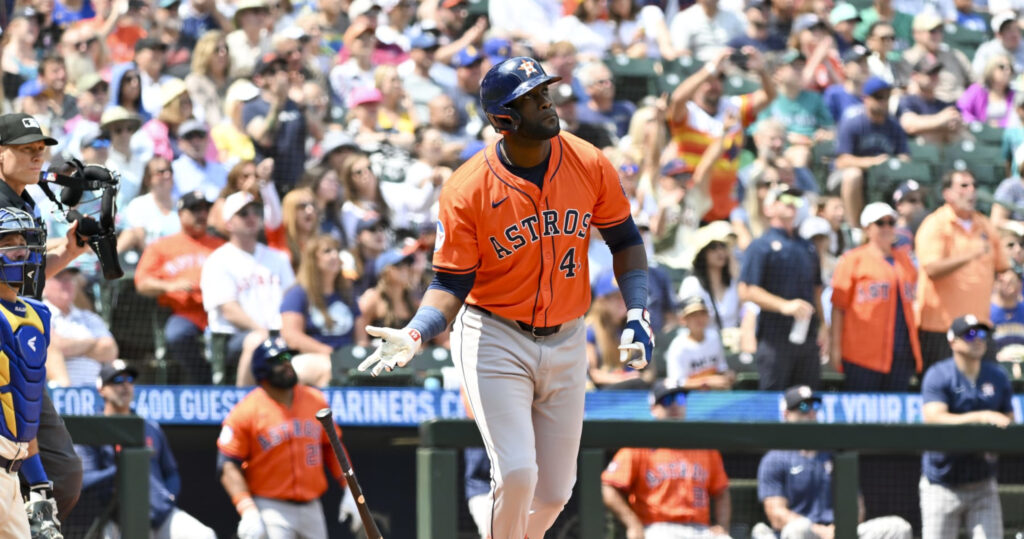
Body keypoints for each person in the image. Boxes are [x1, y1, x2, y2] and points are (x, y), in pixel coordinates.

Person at [356, 57, 653, 539]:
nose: (546, 103)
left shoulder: (588, 160)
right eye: (532, 98)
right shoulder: (466, 188)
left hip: (568, 336)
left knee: (556, 491)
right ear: (504, 119)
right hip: (494, 336)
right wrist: (417, 331)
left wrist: (638, 310)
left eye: (545, 92)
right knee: (517, 474)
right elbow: (451, 283)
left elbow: (624, 239)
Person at [0, 113, 93, 519]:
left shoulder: (24, 200)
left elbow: (24, 275)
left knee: (62, 474)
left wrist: (70, 249)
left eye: (40, 149)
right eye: (25, 149)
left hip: (21, 345)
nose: (38, 156)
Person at [217, 337, 361, 539]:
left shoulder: (315, 399)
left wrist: (350, 489)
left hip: (312, 506)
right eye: (277, 360)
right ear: (262, 370)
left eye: (287, 357)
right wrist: (247, 508)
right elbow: (227, 465)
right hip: (271, 507)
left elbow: (332, 447)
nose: (286, 363)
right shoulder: (245, 411)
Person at [75, 361, 217, 539]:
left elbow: (171, 472)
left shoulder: (149, 427)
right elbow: (84, 480)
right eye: (117, 380)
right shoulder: (92, 430)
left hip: (163, 515)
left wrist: (169, 496)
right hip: (118, 519)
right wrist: (120, 470)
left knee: (205, 535)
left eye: (130, 380)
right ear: (101, 389)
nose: (125, 386)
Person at [753, 385, 913, 539]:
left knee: (898, 528)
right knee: (798, 529)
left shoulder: (834, 454)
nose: (810, 412)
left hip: (839, 531)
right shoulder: (774, 458)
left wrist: (838, 529)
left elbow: (856, 506)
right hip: (805, 533)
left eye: (814, 406)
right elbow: (776, 514)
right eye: (803, 407)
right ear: (787, 414)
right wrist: (819, 531)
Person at [920, 315, 1013, 539]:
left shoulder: (997, 376)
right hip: (942, 483)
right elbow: (933, 417)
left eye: (981, 333)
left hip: (982, 483)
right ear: (953, 340)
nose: (977, 339)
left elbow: (1009, 418)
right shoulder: (938, 374)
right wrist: (981, 416)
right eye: (970, 334)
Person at [602, 380, 732, 538]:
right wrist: (633, 524)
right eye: (667, 401)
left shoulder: (703, 444)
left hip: (700, 529)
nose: (675, 406)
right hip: (658, 528)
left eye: (680, 399)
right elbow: (608, 487)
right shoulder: (639, 445)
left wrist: (722, 526)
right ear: (653, 408)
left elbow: (721, 491)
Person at [0, 206, 61, 538]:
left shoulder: (38, 315)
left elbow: (25, 408)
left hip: (14, 471)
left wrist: (39, 484)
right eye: (9, 244)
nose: (21, 252)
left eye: (24, 243)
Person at [915, 171, 1010, 370]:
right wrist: (969, 255)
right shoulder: (935, 224)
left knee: (987, 390)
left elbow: (1003, 268)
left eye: (973, 185)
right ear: (947, 193)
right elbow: (931, 268)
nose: (971, 190)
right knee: (944, 390)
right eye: (964, 186)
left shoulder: (985, 225)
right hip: (941, 328)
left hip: (979, 325)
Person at [667, 47, 775, 222]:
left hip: (725, 205)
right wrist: (710, 68)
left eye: (719, 80)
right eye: (709, 81)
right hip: (692, 204)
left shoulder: (734, 107)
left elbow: (769, 96)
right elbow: (677, 99)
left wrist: (761, 70)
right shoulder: (688, 113)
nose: (714, 85)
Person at [200, 191, 295, 386]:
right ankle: (244, 401)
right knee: (257, 341)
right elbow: (230, 311)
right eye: (243, 214)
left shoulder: (278, 258)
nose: (252, 217)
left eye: (256, 212)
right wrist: (265, 333)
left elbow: (292, 299)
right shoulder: (218, 260)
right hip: (232, 339)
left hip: (279, 334)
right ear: (229, 223)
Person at [739, 186, 826, 390]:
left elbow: (816, 290)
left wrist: (823, 326)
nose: (792, 204)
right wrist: (784, 305)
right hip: (774, 338)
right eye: (784, 198)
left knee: (808, 399)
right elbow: (746, 290)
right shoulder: (760, 246)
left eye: (796, 200)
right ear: (769, 208)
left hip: (807, 337)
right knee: (773, 403)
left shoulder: (808, 247)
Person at [134, 191, 225, 384]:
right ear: (181, 213)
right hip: (185, 312)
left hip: (222, 311)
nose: (201, 214)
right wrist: (169, 285)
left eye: (204, 209)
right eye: (195, 210)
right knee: (176, 335)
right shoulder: (161, 246)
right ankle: (203, 383)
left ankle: (230, 383)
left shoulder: (220, 246)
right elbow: (142, 283)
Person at [830, 202, 922, 392]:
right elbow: (838, 307)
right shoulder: (852, 260)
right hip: (862, 353)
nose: (887, 227)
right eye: (880, 223)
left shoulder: (905, 260)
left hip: (901, 351)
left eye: (891, 222)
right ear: (867, 228)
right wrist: (835, 348)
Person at [281, 235, 368, 387]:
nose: (335, 255)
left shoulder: (347, 294)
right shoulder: (298, 294)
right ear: (313, 260)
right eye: (327, 251)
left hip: (347, 358)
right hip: (310, 357)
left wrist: (359, 357)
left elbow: (361, 339)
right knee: (328, 369)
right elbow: (291, 336)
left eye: (336, 250)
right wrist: (329, 353)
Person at [831, 76, 909, 228]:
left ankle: (902, 228)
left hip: (883, 174)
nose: (884, 101)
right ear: (865, 99)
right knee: (854, 175)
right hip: (845, 176)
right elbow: (841, 161)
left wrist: (894, 163)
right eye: (878, 97)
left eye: (887, 97)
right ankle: (856, 229)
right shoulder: (852, 122)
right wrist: (873, 162)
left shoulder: (894, 125)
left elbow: (905, 156)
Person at [43, 267, 118, 388]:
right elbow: (53, 347)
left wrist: (69, 347)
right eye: (60, 279)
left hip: (95, 391)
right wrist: (93, 344)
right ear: (44, 284)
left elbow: (110, 350)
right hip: (60, 392)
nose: (67, 284)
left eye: (70, 279)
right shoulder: (39, 313)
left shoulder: (89, 317)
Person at [665, 296, 735, 390]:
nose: (699, 319)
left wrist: (727, 376)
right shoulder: (678, 347)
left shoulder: (714, 337)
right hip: (689, 398)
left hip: (714, 395)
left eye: (703, 313)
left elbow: (721, 368)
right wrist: (707, 382)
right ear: (683, 320)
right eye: (693, 315)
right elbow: (676, 382)